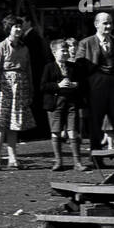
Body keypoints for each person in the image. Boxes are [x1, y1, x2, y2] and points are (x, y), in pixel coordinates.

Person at [75, 11, 114, 155]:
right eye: (105, 23)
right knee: (95, 124)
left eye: (110, 23)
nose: (108, 26)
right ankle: (96, 158)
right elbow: (79, 67)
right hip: (95, 88)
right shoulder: (85, 43)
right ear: (96, 24)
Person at [0, 15, 33, 170]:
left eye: (19, 26)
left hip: (19, 86)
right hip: (3, 88)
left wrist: (30, 89)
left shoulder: (25, 48)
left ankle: (13, 158)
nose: (18, 29)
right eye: (15, 26)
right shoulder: (0, 47)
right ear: (8, 29)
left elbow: (28, 70)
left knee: (14, 125)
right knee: (0, 125)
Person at [41, 39, 84, 171]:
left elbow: (83, 83)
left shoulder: (74, 67)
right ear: (54, 53)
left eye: (67, 50)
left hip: (71, 103)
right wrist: (57, 85)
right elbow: (43, 86)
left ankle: (77, 162)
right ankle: (58, 161)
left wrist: (76, 84)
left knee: (73, 131)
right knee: (56, 132)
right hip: (55, 104)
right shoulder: (49, 67)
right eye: (62, 50)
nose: (66, 53)